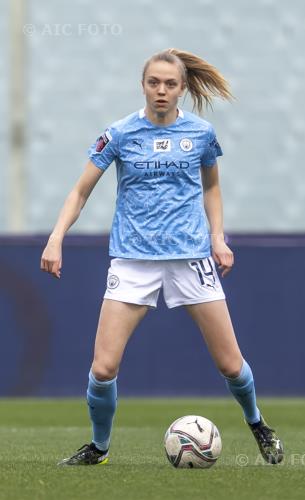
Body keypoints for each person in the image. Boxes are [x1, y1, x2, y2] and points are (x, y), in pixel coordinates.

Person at [41, 48, 283, 466]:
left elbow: (211, 189)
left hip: (190, 258)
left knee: (230, 363)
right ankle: (98, 448)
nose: (161, 90)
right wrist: (56, 237)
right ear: (143, 85)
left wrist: (218, 238)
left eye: (170, 84)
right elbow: (80, 191)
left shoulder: (202, 134)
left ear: (183, 89)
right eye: (154, 82)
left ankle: (259, 424)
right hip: (133, 260)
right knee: (102, 368)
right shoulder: (119, 133)